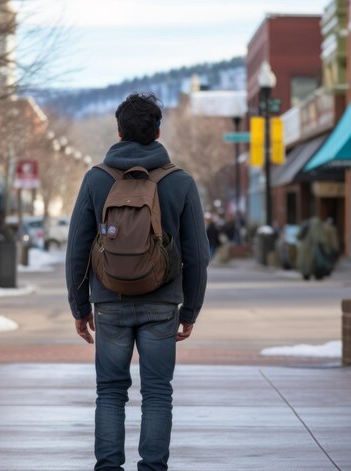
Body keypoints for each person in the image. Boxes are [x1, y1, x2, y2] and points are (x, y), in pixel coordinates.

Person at [65, 92, 210, 471]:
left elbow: (77, 248)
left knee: (110, 393)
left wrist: (80, 308)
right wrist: (190, 309)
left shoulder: (97, 179)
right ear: (158, 132)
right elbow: (198, 254)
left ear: (118, 131)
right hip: (162, 304)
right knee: (157, 393)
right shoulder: (180, 182)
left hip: (109, 301)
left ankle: (108, 467)